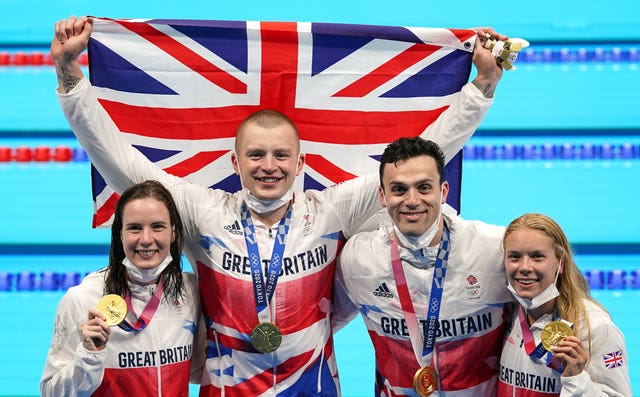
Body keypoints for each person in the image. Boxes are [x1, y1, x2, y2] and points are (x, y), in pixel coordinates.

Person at [51, 15, 507, 394]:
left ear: (300, 161)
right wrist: (71, 77)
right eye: (256, 155)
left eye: (281, 155)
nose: (269, 166)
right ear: (235, 161)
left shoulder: (330, 209)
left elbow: (421, 159)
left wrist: (481, 87)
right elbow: (124, 166)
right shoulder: (202, 212)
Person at [334, 137, 512, 396]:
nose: (412, 200)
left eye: (424, 187)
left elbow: (553, 307)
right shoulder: (358, 258)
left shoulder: (493, 249)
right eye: (399, 190)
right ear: (382, 196)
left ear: (443, 191)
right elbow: (322, 322)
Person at [40, 180, 204, 396]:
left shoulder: (190, 292)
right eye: (135, 228)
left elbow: (197, 372)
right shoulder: (82, 299)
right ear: (120, 234)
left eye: (157, 226)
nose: (146, 239)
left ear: (173, 233)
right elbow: (51, 391)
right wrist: (89, 356)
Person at [498, 213, 632, 396]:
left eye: (537, 257)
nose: (525, 267)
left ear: (561, 263)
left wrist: (577, 379)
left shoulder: (596, 328)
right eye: (515, 257)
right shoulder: (509, 311)